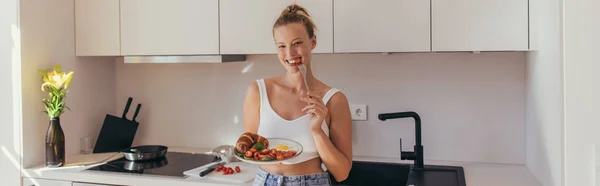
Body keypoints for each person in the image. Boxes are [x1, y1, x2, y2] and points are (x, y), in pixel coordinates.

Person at [242, 3, 353, 186]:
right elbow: (249, 149)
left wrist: (317, 131)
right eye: (282, 46)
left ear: (313, 42)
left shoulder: (334, 100)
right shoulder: (257, 91)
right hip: (264, 181)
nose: (290, 53)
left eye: (297, 43)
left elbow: (341, 173)